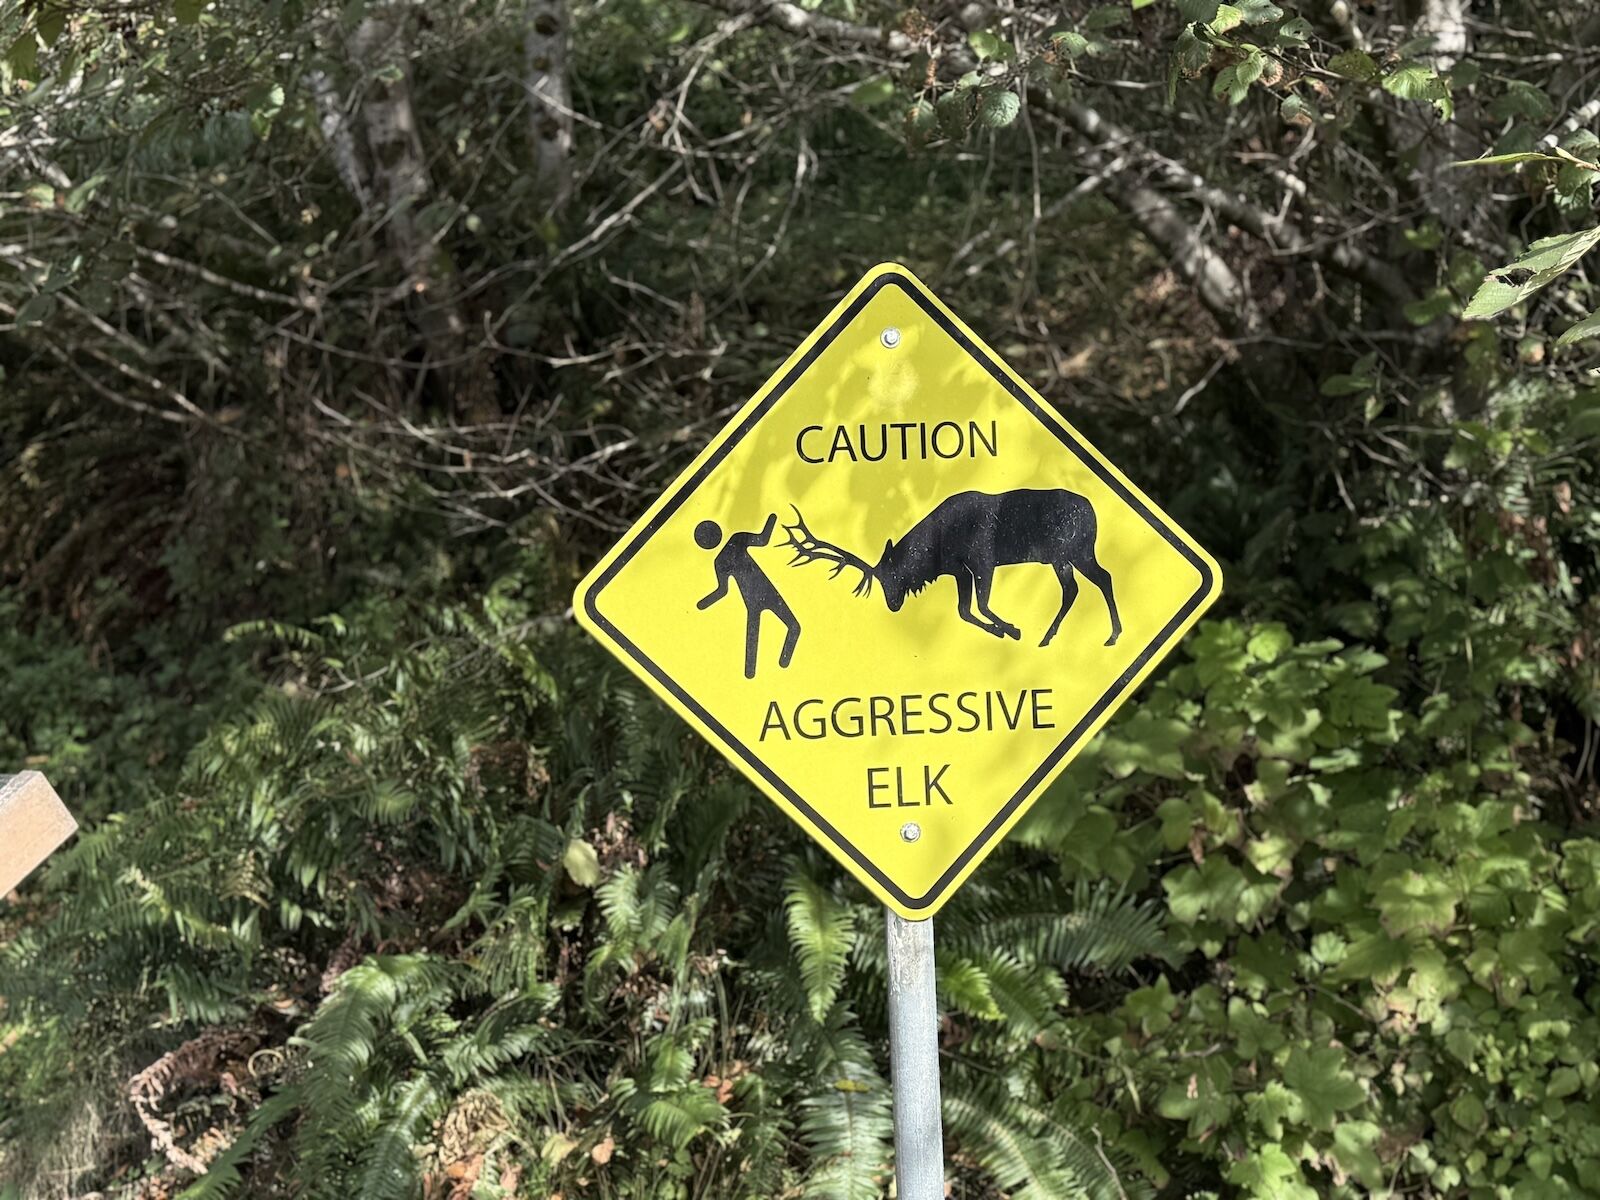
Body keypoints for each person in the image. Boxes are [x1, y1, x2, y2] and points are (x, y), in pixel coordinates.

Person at [695, 513, 801, 679]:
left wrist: (703, 603)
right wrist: (772, 519)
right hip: (767, 591)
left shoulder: (720, 561)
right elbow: (763, 539)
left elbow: (722, 591)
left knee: (755, 638)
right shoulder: (736, 540)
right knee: (793, 627)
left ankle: (763, 672)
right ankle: (775, 667)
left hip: (752, 599)